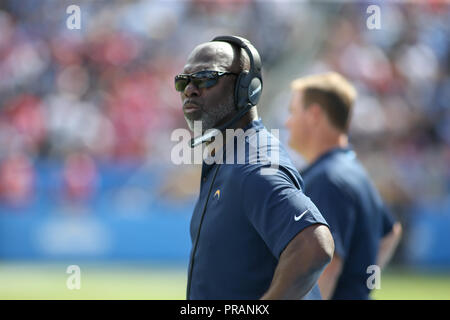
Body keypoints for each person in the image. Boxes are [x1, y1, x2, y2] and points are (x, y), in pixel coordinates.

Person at [175, 36, 334, 300]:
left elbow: (314, 245)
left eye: (205, 77)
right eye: (183, 81)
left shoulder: (254, 164)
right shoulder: (228, 157)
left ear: (247, 88)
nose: (190, 89)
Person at [285, 72, 402, 300]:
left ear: (314, 114)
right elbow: (390, 233)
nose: (288, 122)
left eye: (293, 111)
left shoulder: (327, 178)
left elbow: (326, 266)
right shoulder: (352, 171)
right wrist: (361, 285)